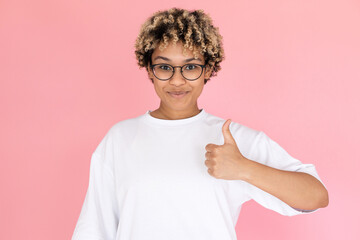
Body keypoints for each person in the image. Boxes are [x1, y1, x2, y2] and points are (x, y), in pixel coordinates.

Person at [71, 7, 329, 240]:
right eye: (164, 67)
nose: (177, 81)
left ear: (208, 70)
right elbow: (94, 228)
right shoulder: (120, 138)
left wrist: (244, 168)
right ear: (149, 69)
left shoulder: (232, 139)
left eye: (191, 67)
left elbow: (316, 196)